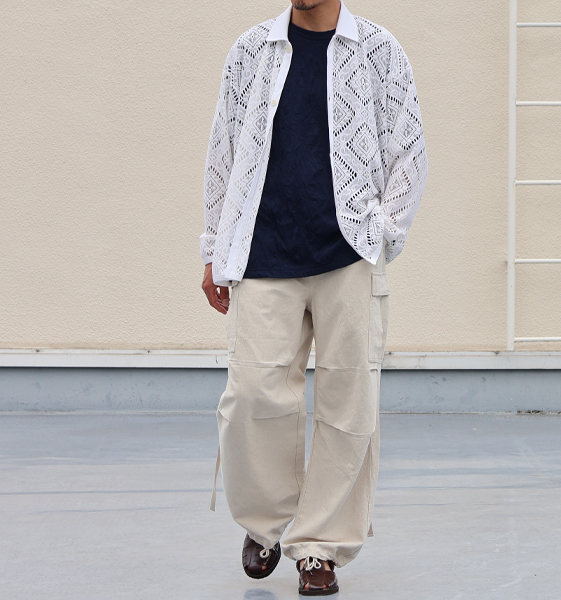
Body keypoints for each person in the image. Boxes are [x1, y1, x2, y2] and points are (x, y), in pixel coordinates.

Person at [200, 0, 427, 594]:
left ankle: (320, 546)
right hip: (262, 249)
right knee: (252, 392)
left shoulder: (379, 50)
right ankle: (266, 524)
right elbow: (224, 150)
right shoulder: (251, 49)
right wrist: (213, 247)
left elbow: (409, 150)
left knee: (349, 401)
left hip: (348, 254)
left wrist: (383, 233)